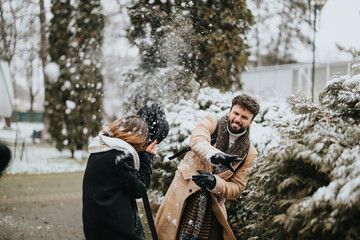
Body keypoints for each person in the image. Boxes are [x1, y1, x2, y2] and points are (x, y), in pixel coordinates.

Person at [155, 94, 260, 240]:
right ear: (230, 112)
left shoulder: (250, 153)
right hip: (182, 196)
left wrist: (214, 183)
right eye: (236, 113)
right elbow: (197, 140)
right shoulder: (212, 122)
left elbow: (237, 188)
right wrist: (214, 155)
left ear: (251, 122)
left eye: (244, 117)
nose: (237, 119)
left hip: (211, 208)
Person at [82, 114, 158, 240]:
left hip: (96, 224)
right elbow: (140, 189)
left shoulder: (101, 150)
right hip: (116, 228)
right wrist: (147, 158)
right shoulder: (120, 158)